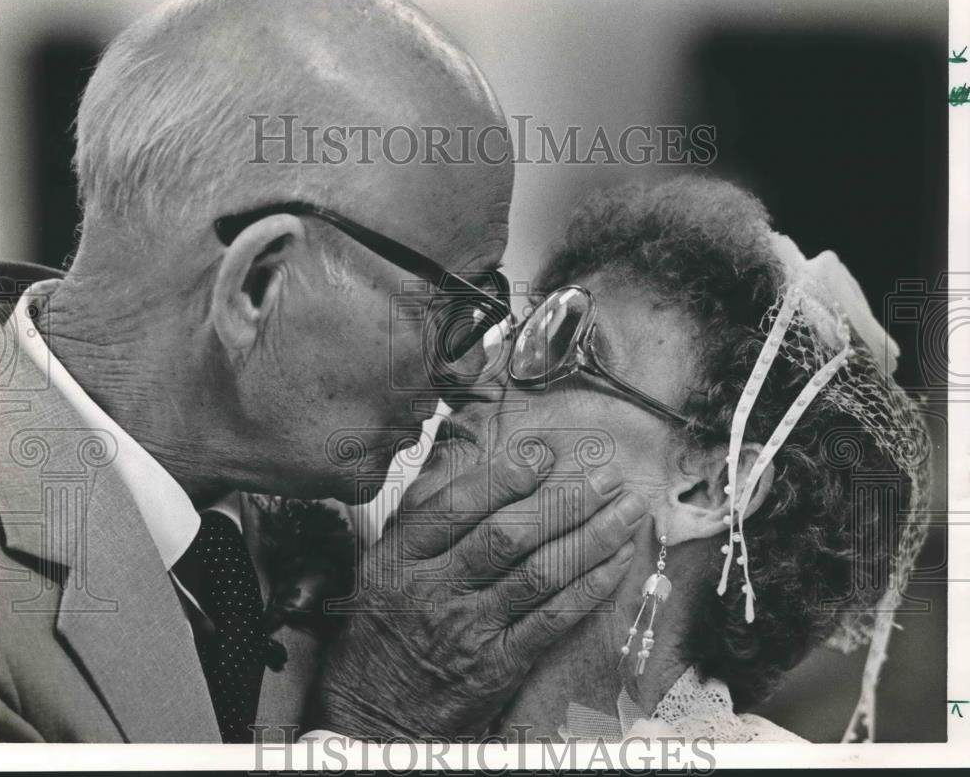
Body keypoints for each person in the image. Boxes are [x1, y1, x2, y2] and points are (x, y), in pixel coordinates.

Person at [0, 0, 640, 742]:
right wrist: (375, 726)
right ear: (259, 286)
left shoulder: (352, 530)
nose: (469, 374)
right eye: (451, 305)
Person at [397, 176, 931, 743]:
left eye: (562, 344)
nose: (475, 377)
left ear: (711, 490)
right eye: (523, 331)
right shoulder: (323, 632)